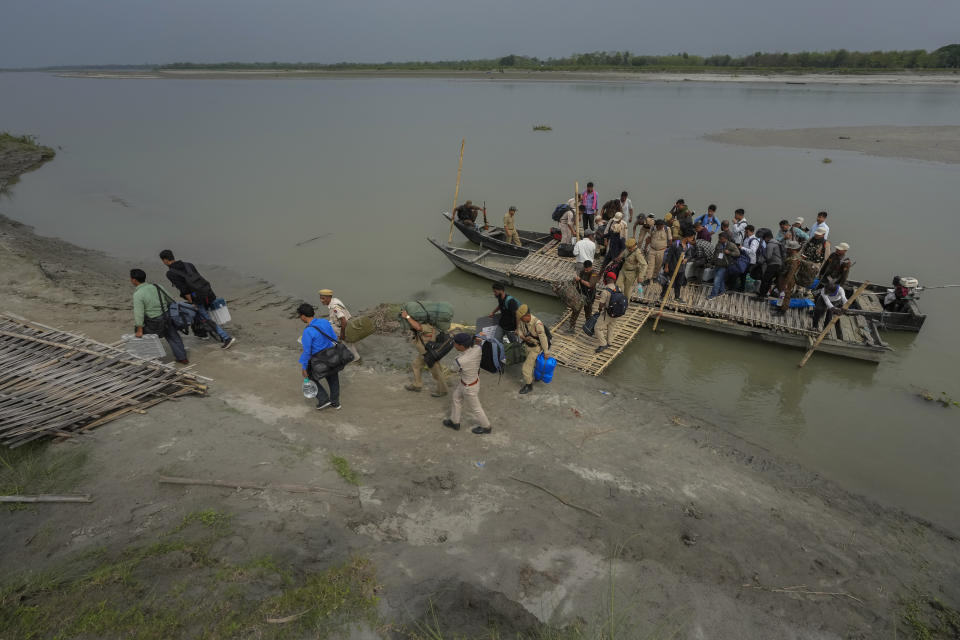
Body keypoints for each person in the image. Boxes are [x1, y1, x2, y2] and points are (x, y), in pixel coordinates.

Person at [159, 250, 236, 349]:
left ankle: (226, 338)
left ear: (165, 260)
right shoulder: (188, 265)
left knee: (205, 317)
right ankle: (202, 334)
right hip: (207, 292)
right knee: (201, 314)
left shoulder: (170, 273)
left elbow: (184, 290)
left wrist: (192, 303)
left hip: (196, 297)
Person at [130, 268, 189, 364]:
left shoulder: (138, 294)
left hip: (153, 322)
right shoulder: (157, 286)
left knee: (141, 335)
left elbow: (139, 313)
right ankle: (182, 358)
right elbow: (170, 300)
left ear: (134, 280)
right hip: (166, 317)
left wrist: (139, 330)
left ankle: (148, 358)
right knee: (173, 336)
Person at [442, 333, 492, 435]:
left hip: (468, 387)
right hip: (473, 381)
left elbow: (453, 369)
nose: (454, 345)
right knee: (456, 397)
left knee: (476, 408)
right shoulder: (477, 349)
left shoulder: (460, 361)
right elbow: (478, 342)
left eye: (455, 343)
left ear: (461, 346)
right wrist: (477, 336)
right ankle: (454, 421)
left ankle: (486, 426)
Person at [297, 303, 341, 410]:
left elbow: (307, 352)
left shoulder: (308, 331)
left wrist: (304, 367)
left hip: (319, 360)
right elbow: (334, 337)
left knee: (310, 377)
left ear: (303, 316)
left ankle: (323, 399)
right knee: (333, 379)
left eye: (299, 315)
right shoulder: (324, 322)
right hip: (331, 356)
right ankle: (335, 403)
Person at [400, 307, 448, 397]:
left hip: (428, 353)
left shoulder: (427, 326)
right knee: (416, 365)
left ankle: (443, 390)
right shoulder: (429, 324)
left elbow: (417, 326)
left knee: (436, 372)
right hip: (424, 352)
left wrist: (407, 316)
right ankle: (417, 385)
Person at [515, 304, 551, 395]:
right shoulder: (523, 321)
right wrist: (522, 337)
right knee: (533, 364)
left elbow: (543, 338)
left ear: (527, 315)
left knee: (526, 368)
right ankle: (537, 377)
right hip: (527, 345)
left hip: (536, 348)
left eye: (522, 318)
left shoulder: (537, 324)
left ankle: (529, 385)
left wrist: (546, 352)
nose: (520, 320)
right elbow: (519, 329)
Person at [318, 289, 360, 363]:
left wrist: (342, 334)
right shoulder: (335, 300)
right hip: (339, 325)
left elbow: (343, 321)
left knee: (348, 344)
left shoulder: (334, 307)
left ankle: (356, 360)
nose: (321, 300)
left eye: (323, 298)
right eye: (320, 298)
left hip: (342, 327)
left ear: (328, 297)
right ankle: (341, 354)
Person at [660, 229, 693, 303]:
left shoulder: (688, 246)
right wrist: (666, 267)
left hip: (681, 269)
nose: (692, 240)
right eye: (691, 238)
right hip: (672, 267)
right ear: (687, 237)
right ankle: (662, 296)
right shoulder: (676, 244)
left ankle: (677, 297)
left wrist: (686, 259)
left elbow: (689, 255)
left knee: (678, 283)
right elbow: (669, 256)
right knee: (668, 282)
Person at [707, 232, 740, 300]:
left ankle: (713, 295)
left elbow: (737, 253)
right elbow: (715, 254)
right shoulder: (718, 244)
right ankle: (722, 291)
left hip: (724, 265)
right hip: (717, 264)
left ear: (725, 239)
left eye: (721, 239)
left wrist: (729, 252)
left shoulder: (731, 245)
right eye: (719, 238)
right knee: (720, 279)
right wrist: (712, 262)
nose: (719, 240)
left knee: (716, 280)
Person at [773, 240, 802, 314]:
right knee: (781, 293)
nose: (787, 249)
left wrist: (786, 283)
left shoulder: (794, 259)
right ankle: (779, 306)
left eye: (789, 248)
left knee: (786, 294)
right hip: (783, 277)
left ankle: (783, 310)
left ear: (793, 249)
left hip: (788, 279)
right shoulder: (789, 256)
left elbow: (791, 273)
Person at [594, 272, 620, 353]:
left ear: (608, 279)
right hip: (617, 312)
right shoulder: (618, 288)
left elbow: (601, 303)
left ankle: (603, 344)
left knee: (597, 328)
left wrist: (599, 309)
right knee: (611, 326)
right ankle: (609, 342)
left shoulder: (605, 291)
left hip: (608, 312)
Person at [568, 260, 597, 330]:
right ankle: (571, 327)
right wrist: (575, 280)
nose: (586, 270)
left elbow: (590, 284)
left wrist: (580, 280)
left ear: (591, 267)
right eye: (585, 268)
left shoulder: (594, 274)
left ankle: (588, 327)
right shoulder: (582, 271)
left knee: (588, 313)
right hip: (580, 294)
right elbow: (577, 280)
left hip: (589, 296)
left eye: (587, 269)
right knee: (575, 311)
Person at [641, 219, 670, 285]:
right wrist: (645, 247)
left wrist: (668, 250)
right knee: (650, 265)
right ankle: (648, 279)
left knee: (658, 265)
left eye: (660, 226)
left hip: (662, 250)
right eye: (657, 226)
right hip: (652, 249)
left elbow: (670, 240)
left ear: (662, 225)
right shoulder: (652, 229)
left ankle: (655, 277)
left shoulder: (667, 229)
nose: (659, 227)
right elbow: (649, 238)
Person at [757, 230, 783, 299]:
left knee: (765, 279)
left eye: (763, 238)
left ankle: (761, 295)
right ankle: (764, 294)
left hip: (773, 264)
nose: (763, 240)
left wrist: (761, 260)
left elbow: (768, 257)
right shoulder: (777, 243)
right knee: (769, 280)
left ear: (767, 238)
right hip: (779, 264)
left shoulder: (770, 244)